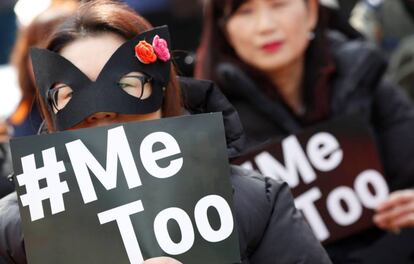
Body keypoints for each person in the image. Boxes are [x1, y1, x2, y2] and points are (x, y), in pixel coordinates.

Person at [0, 1, 331, 263]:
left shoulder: (258, 205)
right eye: (70, 95)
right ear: (50, 111)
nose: (100, 111)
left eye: (126, 85)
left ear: (163, 93)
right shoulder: (11, 231)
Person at [195, 0, 414, 263]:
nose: (266, 26)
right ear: (224, 29)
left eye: (279, 4)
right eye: (245, 12)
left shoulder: (366, 75)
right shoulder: (207, 124)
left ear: (311, 11)